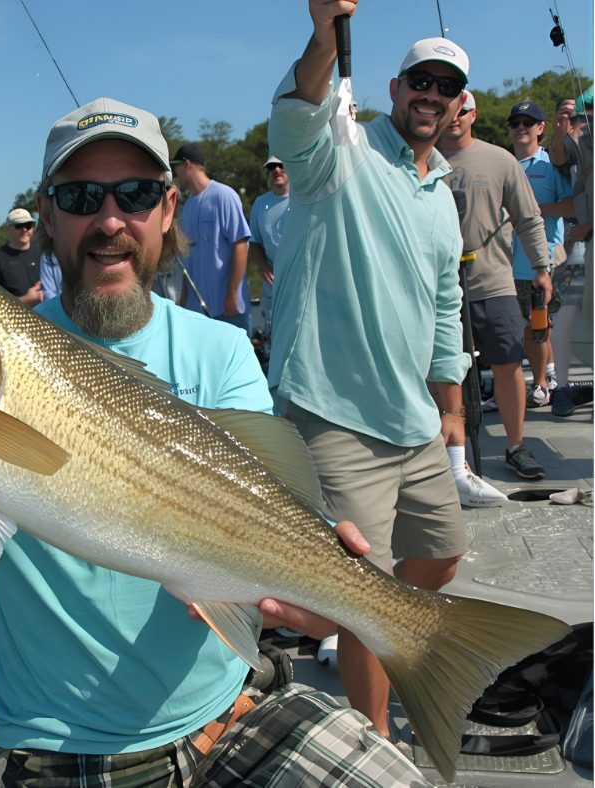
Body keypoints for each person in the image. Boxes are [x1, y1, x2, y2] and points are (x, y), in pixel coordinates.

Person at [0, 94, 429, 786]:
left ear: (169, 209)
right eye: (82, 195)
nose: (110, 219)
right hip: (57, 750)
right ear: (49, 212)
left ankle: (427, 641)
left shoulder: (222, 351)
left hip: (232, 712)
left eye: (137, 194)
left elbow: (263, 508)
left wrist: (326, 575)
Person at [268, 1, 471, 746]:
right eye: (421, 79)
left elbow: (446, 306)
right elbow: (293, 117)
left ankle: (367, 632)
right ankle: (375, 739)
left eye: (446, 87)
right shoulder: (341, 149)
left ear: (458, 107)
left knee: (442, 554)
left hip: (413, 419)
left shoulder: (442, 196)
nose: (432, 94)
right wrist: (323, 38)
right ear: (394, 86)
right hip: (333, 409)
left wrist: (449, 407)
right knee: (366, 592)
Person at [440, 91, 553, 480]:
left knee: (507, 362)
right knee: (442, 371)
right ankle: (451, 456)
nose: (455, 117)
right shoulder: (418, 157)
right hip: (438, 289)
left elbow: (529, 217)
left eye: (463, 110)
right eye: (449, 109)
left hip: (494, 282)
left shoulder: (501, 160)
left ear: (474, 114)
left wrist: (541, 268)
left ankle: (515, 445)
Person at [505, 100, 573, 407]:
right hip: (505, 263)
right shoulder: (503, 165)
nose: (521, 128)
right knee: (523, 325)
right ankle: (542, 377)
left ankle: (543, 384)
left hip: (540, 263)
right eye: (515, 123)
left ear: (540, 129)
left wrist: (532, 212)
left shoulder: (550, 166)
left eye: (528, 123)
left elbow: (573, 206)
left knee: (538, 323)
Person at [170, 142, 252, 333]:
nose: (175, 175)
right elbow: (187, 260)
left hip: (228, 309)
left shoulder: (224, 196)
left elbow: (241, 245)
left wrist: (232, 293)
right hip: (197, 313)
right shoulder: (188, 206)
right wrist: (182, 303)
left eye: (176, 168)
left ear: (187, 165)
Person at [549, 91, 594, 417]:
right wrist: (562, 128)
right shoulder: (579, 146)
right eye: (581, 115)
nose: (585, 121)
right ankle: (561, 386)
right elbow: (558, 158)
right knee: (566, 315)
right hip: (579, 249)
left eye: (588, 114)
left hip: (582, 240)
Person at [248, 156, 291, 338]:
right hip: (272, 286)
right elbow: (254, 241)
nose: (277, 170)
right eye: (272, 167)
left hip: (299, 281)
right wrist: (263, 266)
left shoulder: (303, 199)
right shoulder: (260, 203)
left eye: (281, 166)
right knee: (274, 335)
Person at [0, 208, 43, 305]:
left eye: (28, 225)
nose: (24, 229)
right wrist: (26, 299)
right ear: (8, 230)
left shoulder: (44, 253)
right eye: (18, 226)